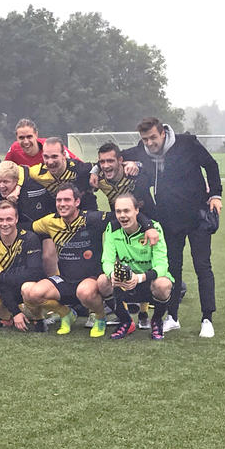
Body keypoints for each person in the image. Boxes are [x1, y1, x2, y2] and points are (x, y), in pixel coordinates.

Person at [122, 117, 223, 338]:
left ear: (163, 133)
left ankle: (207, 318)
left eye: (153, 138)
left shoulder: (187, 143)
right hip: (168, 221)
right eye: (145, 139)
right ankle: (173, 317)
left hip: (197, 217)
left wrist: (216, 194)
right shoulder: (142, 150)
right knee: (173, 269)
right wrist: (116, 166)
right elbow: (116, 156)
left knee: (202, 266)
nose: (149, 143)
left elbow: (211, 165)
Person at [23, 184, 112, 338]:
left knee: (84, 292)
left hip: (91, 280)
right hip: (65, 279)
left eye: (67, 200)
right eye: (59, 200)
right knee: (33, 293)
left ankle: (100, 317)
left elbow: (121, 217)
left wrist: (149, 227)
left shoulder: (91, 218)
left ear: (77, 202)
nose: (62, 204)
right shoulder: (50, 221)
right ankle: (66, 314)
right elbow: (25, 227)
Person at [98, 193, 174, 340]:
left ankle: (156, 320)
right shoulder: (112, 228)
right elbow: (106, 260)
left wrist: (139, 278)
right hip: (125, 282)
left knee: (163, 284)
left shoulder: (154, 229)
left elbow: (162, 265)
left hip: (147, 280)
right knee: (102, 281)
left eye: (126, 211)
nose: (122, 215)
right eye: (118, 211)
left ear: (137, 210)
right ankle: (126, 321)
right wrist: (112, 275)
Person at [91, 141, 150, 328]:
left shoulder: (133, 173)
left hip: (145, 221)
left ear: (121, 161)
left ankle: (144, 313)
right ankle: (122, 312)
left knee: (143, 262)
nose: (106, 165)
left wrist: (138, 165)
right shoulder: (100, 177)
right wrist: (93, 170)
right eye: (102, 162)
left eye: (110, 161)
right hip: (120, 223)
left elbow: (152, 167)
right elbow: (85, 169)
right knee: (118, 265)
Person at [0, 200, 46, 331]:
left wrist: (2, 277)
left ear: (16, 219)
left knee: (28, 288)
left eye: (9, 219)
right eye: (0, 220)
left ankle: (39, 318)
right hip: (8, 288)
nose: (4, 224)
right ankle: (7, 318)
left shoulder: (30, 238)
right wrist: (15, 312)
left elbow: (35, 273)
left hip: (28, 287)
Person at [29, 137, 98, 211]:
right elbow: (21, 171)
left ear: (64, 155)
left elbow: (102, 166)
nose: (50, 162)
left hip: (85, 212)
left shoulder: (80, 169)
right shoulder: (36, 172)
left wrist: (95, 172)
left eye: (54, 156)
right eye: (46, 157)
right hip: (56, 214)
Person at [4, 118, 78, 167]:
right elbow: (2, 171)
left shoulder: (51, 146)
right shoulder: (14, 149)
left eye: (29, 137)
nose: (26, 142)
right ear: (16, 138)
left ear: (36, 135)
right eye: (21, 138)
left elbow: (79, 165)